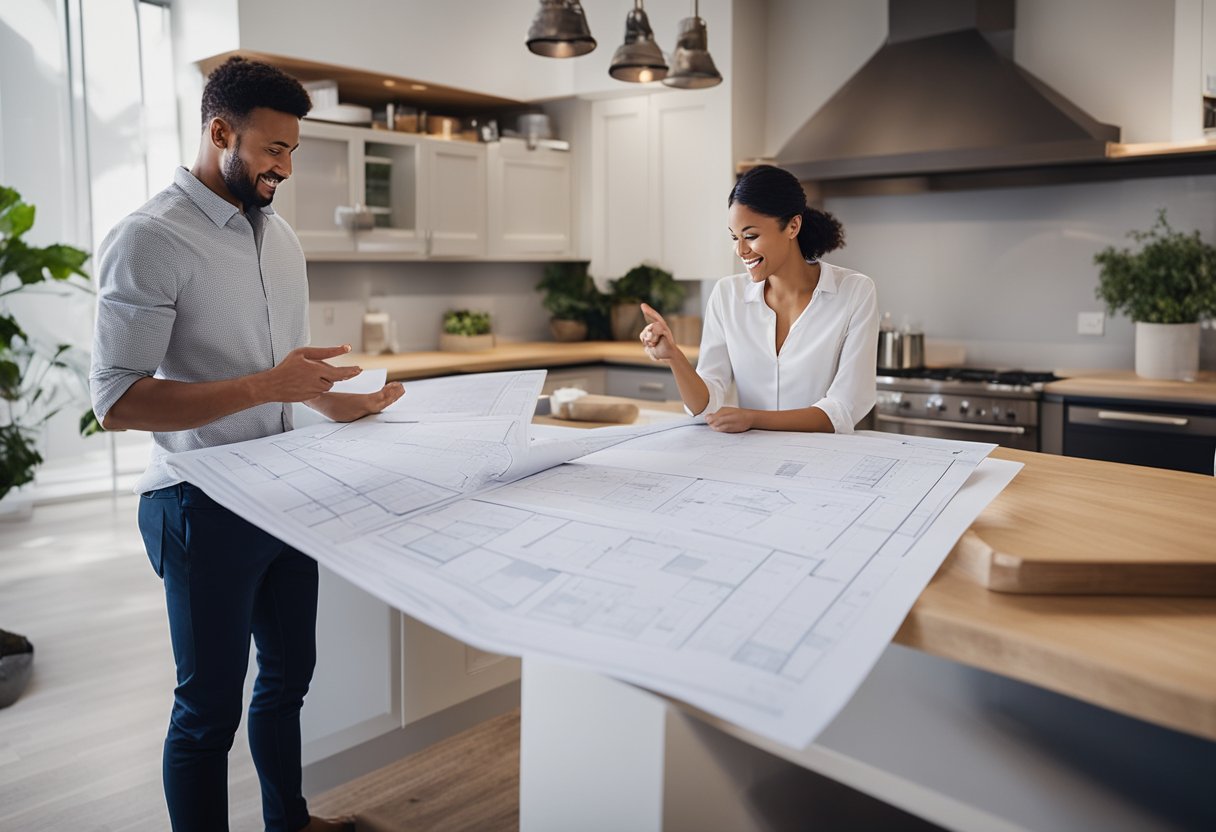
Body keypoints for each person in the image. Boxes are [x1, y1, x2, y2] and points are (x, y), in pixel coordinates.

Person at [89, 57, 403, 832]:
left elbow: (280, 373)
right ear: (221, 131)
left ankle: (288, 822)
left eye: (293, 151)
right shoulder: (149, 239)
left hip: (286, 497)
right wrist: (269, 386)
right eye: (273, 149)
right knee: (206, 710)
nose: (285, 167)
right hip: (201, 504)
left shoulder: (282, 239)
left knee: (290, 680)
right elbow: (118, 401)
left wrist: (344, 404)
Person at [639, 164, 877, 433]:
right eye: (734, 237)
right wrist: (674, 356)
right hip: (751, 463)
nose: (740, 250)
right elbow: (704, 406)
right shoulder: (727, 295)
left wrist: (752, 418)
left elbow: (843, 409)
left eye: (751, 236)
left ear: (792, 226)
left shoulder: (854, 292)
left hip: (821, 463)